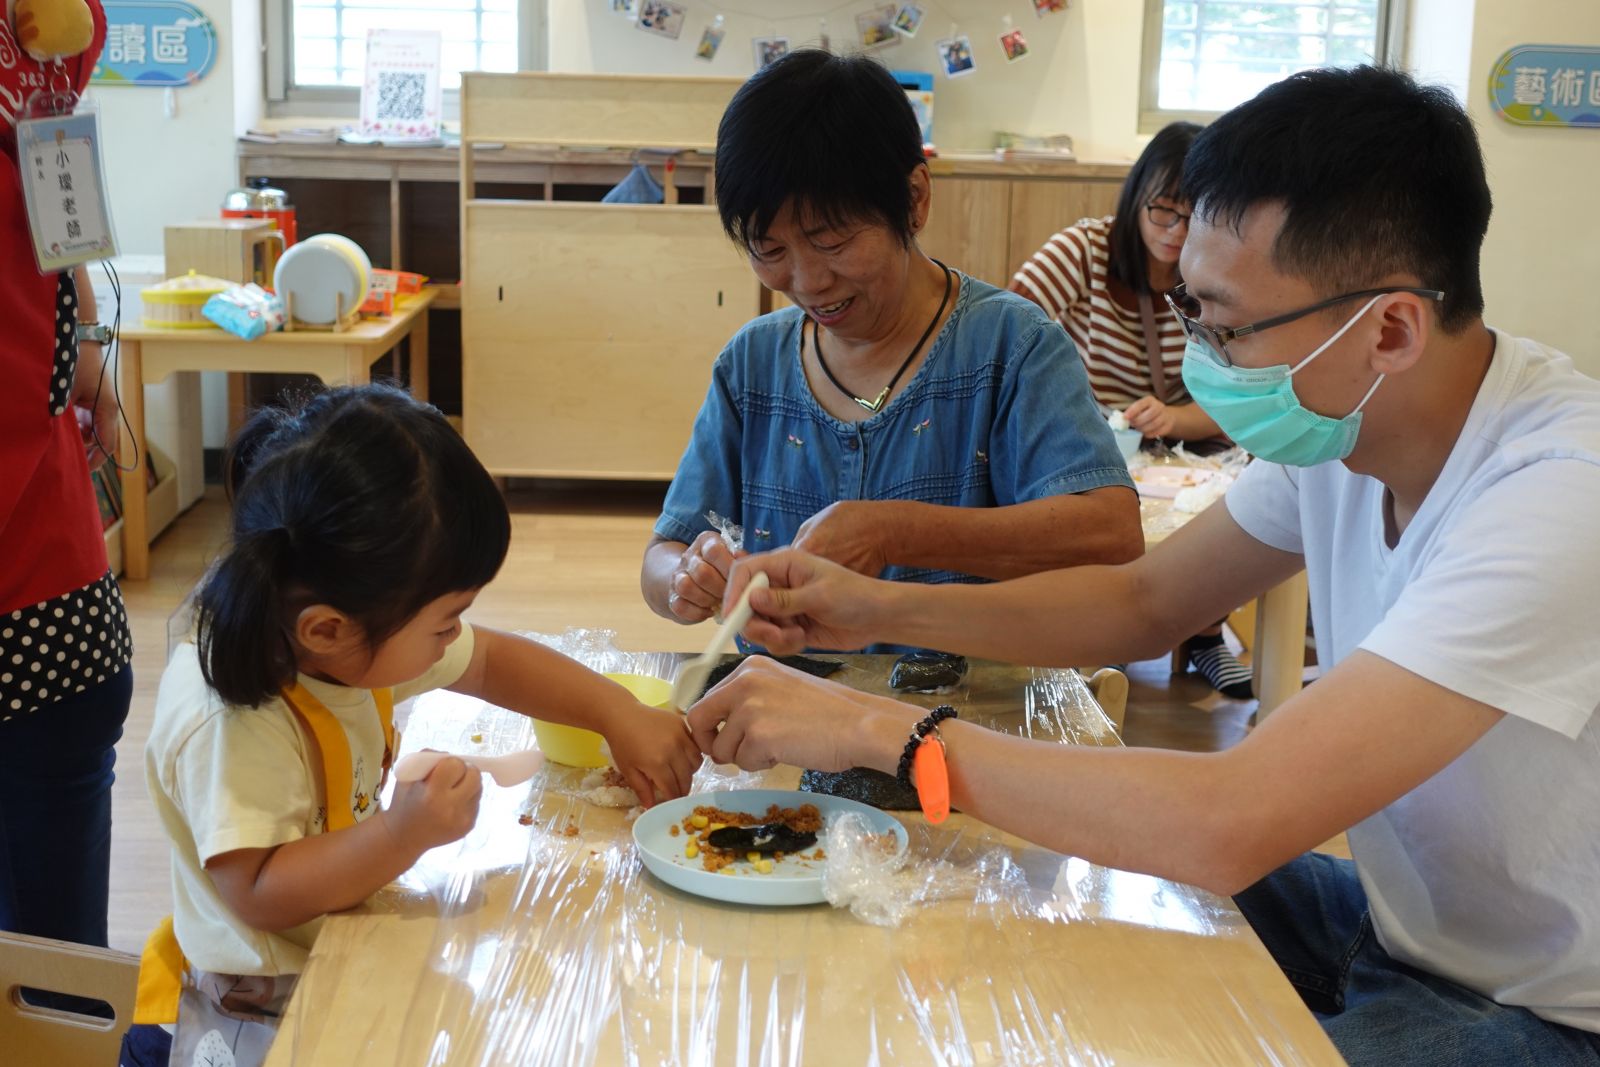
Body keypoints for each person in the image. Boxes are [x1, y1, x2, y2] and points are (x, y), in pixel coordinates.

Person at [689, 66, 1600, 1065]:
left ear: (1387, 327)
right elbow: (1143, 601)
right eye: (1191, 313)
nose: (1200, 355)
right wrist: (870, 609)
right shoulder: (1346, 426)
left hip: (1543, 1008)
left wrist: (876, 728)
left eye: (1224, 325)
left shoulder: (1558, 494)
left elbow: (1230, 818)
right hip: (1392, 927)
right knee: (1016, 880)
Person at [121, 385, 701, 1065]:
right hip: (258, 1004)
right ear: (328, 630)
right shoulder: (231, 718)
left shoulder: (339, 636)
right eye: (445, 623)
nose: (455, 638)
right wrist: (400, 833)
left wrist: (616, 711)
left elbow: (491, 661)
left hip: (336, 947)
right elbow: (256, 890)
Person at [641, 50, 1141, 642]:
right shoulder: (752, 364)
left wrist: (894, 532)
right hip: (779, 691)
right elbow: (662, 555)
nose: (807, 282)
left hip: (963, 696)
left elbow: (1111, 536)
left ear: (914, 199)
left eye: (831, 241)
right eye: (769, 250)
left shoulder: (1013, 348)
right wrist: (687, 577)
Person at [1009, 121, 1252, 699]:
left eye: (1192, 217)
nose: (1174, 233)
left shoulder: (1221, 272)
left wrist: (1176, 419)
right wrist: (1072, 413)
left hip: (1191, 443)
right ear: (1136, 195)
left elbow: (1244, 395)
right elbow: (1006, 336)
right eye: (1162, 211)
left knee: (1231, 508)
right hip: (1085, 440)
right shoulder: (1084, 250)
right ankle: (1099, 638)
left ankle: (1204, 636)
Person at [0, 0, 135, 973]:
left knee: (55, 970)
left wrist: (83, 342)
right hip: (46, 606)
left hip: (50, 591)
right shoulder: (33, 75)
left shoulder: (38, 72)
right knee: (55, 974)